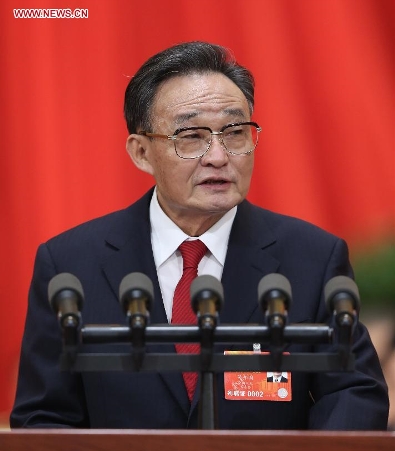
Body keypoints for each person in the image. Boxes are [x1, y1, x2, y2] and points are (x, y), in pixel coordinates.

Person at [10, 41, 388, 430]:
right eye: (191, 136)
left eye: (235, 132)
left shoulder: (312, 258)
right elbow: (44, 417)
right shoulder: (71, 264)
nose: (218, 156)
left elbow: (354, 392)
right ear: (141, 152)